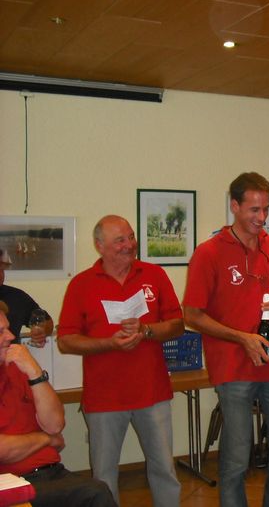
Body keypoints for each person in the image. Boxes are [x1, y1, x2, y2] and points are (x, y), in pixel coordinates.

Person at [183, 172, 269, 507]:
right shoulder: (209, 253)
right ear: (234, 206)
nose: (262, 218)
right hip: (232, 369)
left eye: (266, 209)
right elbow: (192, 315)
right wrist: (241, 338)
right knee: (236, 457)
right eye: (254, 210)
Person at [57, 215, 184, 507]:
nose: (129, 245)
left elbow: (177, 325)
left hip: (152, 392)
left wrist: (146, 330)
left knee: (165, 470)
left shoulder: (154, 275)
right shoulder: (81, 284)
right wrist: (109, 343)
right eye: (119, 240)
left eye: (131, 237)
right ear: (99, 246)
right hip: (104, 397)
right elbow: (66, 340)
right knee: (103, 476)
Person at [0, 301, 117, 507]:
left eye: (8, 329)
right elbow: (4, 450)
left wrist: (35, 371)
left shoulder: (18, 366)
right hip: (12, 482)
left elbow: (55, 425)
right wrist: (46, 439)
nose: (10, 336)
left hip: (51, 472)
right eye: (1, 332)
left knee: (94, 490)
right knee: (95, 493)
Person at [0, 248, 53, 346]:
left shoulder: (16, 297)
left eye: (1, 269)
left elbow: (47, 321)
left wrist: (41, 331)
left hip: (12, 355)